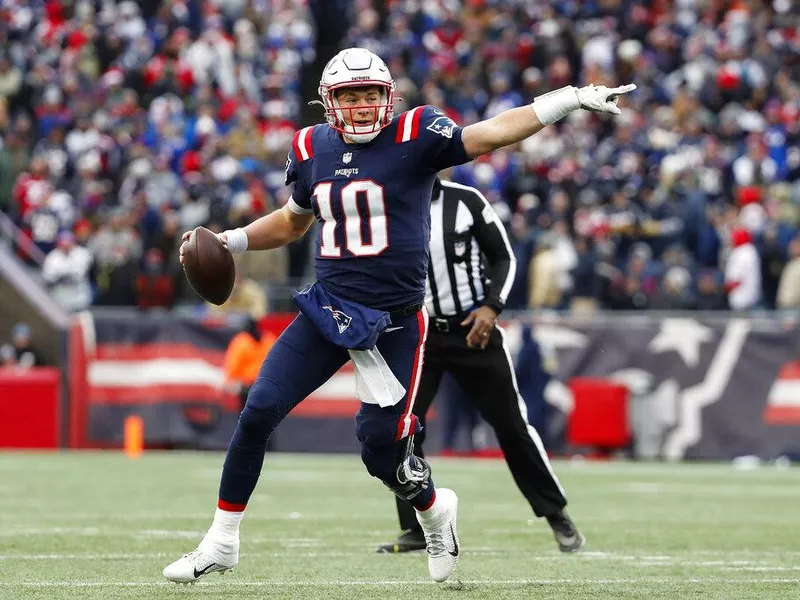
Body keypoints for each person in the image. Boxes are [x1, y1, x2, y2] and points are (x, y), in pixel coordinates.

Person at [163, 47, 633, 584]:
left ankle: (435, 512)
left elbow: (494, 132)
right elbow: (294, 222)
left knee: (381, 452)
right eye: (349, 96)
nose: (361, 107)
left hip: (394, 324)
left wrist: (568, 99)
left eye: (369, 95)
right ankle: (221, 541)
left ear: (387, 98)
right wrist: (232, 240)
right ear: (328, 102)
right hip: (329, 308)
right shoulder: (311, 145)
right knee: (260, 407)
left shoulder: (416, 135)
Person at [377, 178, 584, 554]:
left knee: (511, 425)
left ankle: (557, 514)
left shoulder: (466, 201)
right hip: (419, 333)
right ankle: (417, 528)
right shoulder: (389, 203)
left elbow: (505, 257)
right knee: (403, 429)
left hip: (474, 330)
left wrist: (491, 307)